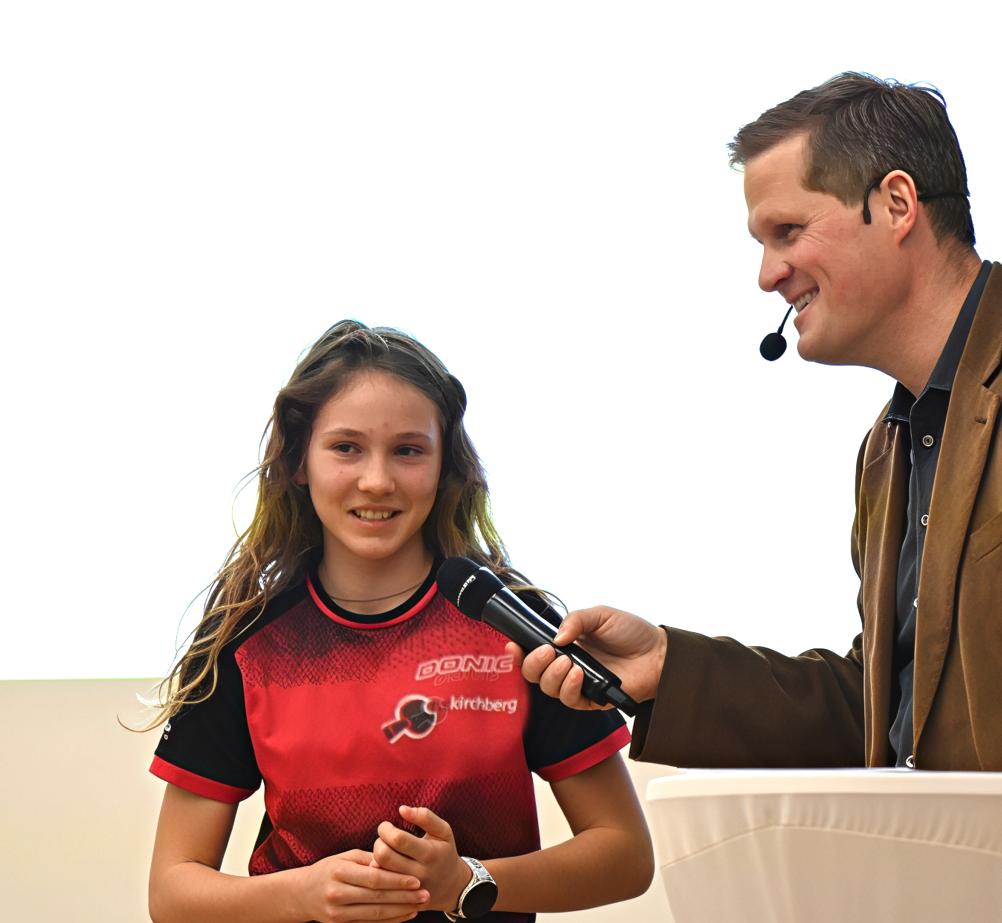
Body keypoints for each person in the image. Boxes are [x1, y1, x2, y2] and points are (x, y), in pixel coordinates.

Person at [516, 73, 1002, 781]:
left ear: (897, 204)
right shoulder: (885, 447)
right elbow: (881, 716)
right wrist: (668, 666)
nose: (767, 275)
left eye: (788, 232)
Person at [145, 322, 653, 923]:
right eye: (346, 447)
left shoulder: (511, 623)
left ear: (444, 466)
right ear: (299, 460)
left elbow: (625, 855)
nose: (377, 481)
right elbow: (172, 894)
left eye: (409, 450)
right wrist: (302, 893)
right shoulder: (244, 640)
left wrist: (467, 882)